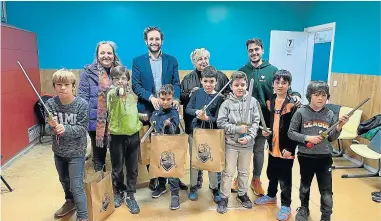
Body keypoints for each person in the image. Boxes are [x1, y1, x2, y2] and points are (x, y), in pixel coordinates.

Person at [232, 38, 301, 196]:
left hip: (264, 120)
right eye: (250, 50)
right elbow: (234, 90)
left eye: (257, 49)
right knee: (242, 150)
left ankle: (256, 179)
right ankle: (240, 177)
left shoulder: (272, 71)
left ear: (262, 50)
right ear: (247, 52)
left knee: (258, 151)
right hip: (244, 120)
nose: (254, 52)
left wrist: (296, 95)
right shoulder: (243, 71)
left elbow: (285, 88)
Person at [131, 26, 187, 192]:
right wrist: (151, 97)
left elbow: (176, 83)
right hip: (147, 109)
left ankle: (173, 177)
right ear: (146, 41)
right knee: (153, 147)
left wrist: (175, 98)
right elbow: (136, 85)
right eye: (151, 39)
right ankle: (159, 182)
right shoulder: (137, 61)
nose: (154, 42)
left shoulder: (172, 60)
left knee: (172, 144)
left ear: (162, 41)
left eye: (157, 39)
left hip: (169, 110)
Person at [288, 81, 349, 221]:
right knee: (304, 186)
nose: (320, 98)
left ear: (327, 97)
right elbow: (291, 133)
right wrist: (307, 137)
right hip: (305, 156)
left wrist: (339, 127)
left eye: (323, 95)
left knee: (326, 190)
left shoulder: (329, 114)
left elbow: (332, 137)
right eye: (316, 95)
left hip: (324, 158)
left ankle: (326, 215)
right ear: (310, 95)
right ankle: (304, 208)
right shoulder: (301, 112)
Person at [253, 70, 299, 221]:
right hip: (273, 146)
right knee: (272, 173)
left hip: (287, 148)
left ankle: (285, 204)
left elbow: (296, 129)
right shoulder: (270, 101)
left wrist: (291, 148)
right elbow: (271, 123)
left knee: (285, 178)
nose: (280, 85)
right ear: (272, 84)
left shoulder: (293, 104)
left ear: (289, 85)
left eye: (284, 83)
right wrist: (267, 133)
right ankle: (271, 195)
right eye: (277, 82)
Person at [181, 48, 229, 189]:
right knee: (197, 157)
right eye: (199, 59)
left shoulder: (220, 76)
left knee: (212, 156)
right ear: (193, 62)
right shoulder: (187, 79)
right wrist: (191, 94)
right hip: (195, 127)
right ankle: (196, 183)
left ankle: (215, 186)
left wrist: (220, 99)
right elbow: (182, 99)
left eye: (205, 58)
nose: (203, 61)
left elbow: (227, 95)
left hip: (213, 128)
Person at [45, 69, 89, 221]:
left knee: (76, 186)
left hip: (76, 153)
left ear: (73, 86)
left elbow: (83, 129)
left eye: (66, 84)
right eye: (59, 84)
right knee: (64, 180)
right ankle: (70, 202)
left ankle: (83, 216)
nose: (62, 88)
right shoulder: (50, 104)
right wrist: (51, 127)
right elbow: (46, 129)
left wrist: (66, 128)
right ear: (54, 86)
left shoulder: (81, 105)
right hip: (59, 152)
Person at [216, 71, 260, 214]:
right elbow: (221, 122)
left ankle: (242, 193)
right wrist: (236, 128)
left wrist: (249, 137)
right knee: (228, 172)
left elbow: (256, 122)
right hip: (231, 144)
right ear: (231, 86)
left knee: (244, 171)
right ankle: (224, 196)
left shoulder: (253, 102)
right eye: (236, 85)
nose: (240, 87)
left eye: (243, 84)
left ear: (247, 85)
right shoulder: (226, 103)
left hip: (247, 145)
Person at [107, 66, 147, 213]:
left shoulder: (132, 96)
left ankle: (130, 195)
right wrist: (119, 90)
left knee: (133, 168)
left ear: (128, 80)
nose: (120, 81)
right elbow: (116, 95)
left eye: (123, 78)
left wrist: (140, 116)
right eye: (116, 78)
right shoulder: (111, 93)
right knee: (117, 168)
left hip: (133, 135)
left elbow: (131, 112)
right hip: (117, 136)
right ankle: (118, 191)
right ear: (112, 80)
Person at [78, 41, 122, 172]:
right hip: (96, 124)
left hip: (117, 122)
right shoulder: (87, 73)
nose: (106, 56)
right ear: (97, 55)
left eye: (109, 53)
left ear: (114, 55)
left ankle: (116, 186)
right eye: (102, 53)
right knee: (99, 158)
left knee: (117, 157)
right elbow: (83, 98)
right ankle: (101, 188)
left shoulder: (120, 72)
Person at [185, 66, 223, 203]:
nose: (208, 84)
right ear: (201, 80)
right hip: (195, 133)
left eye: (211, 81)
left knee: (211, 161)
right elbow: (188, 109)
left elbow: (219, 120)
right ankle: (193, 186)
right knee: (194, 162)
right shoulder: (196, 94)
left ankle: (214, 188)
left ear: (216, 81)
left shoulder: (219, 98)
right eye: (206, 81)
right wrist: (196, 112)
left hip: (211, 135)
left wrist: (208, 119)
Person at [150, 84, 182, 210]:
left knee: (172, 169)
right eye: (162, 99)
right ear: (159, 98)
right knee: (160, 166)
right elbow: (154, 123)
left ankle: (175, 194)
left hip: (172, 146)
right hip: (159, 145)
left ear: (172, 98)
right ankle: (162, 186)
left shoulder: (174, 112)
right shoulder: (156, 111)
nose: (165, 102)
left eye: (168, 99)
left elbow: (174, 129)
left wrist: (169, 125)